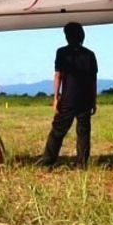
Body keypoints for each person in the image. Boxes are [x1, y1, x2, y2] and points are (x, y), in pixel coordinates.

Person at [39, 22, 98, 168]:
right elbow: (93, 80)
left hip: (68, 98)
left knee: (58, 130)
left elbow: (58, 75)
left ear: (67, 37)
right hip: (85, 99)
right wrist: (93, 100)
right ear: (82, 36)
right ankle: (82, 163)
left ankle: (47, 161)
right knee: (83, 132)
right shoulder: (90, 54)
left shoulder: (62, 52)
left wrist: (56, 97)